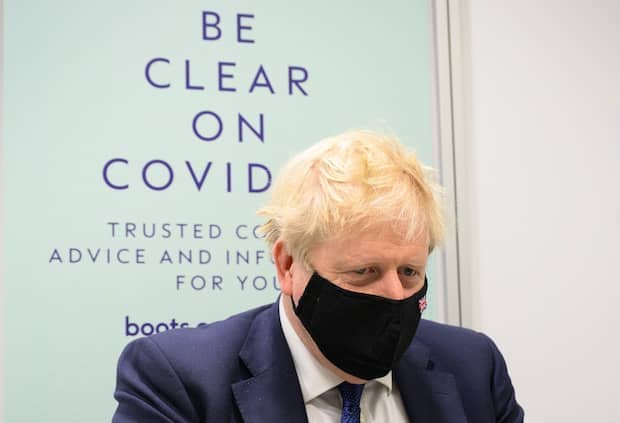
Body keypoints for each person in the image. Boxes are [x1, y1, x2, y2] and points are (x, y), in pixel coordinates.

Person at [112, 130, 524, 422]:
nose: (394, 295)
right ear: (288, 265)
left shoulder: (474, 367)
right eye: (364, 272)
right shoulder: (179, 381)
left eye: (409, 272)